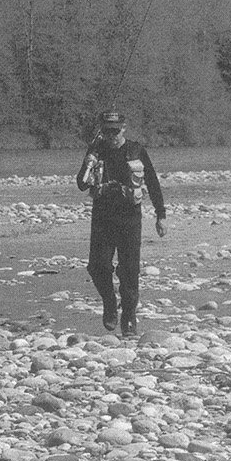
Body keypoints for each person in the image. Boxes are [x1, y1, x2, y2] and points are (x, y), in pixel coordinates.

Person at [75, 110, 166, 337]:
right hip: (103, 217)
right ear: (102, 131)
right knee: (98, 266)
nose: (112, 136)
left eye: (115, 131)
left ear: (123, 128)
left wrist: (161, 215)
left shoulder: (136, 150)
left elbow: (152, 182)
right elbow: (81, 184)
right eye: (107, 131)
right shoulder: (96, 151)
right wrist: (88, 161)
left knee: (129, 271)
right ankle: (109, 303)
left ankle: (129, 317)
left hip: (129, 218)